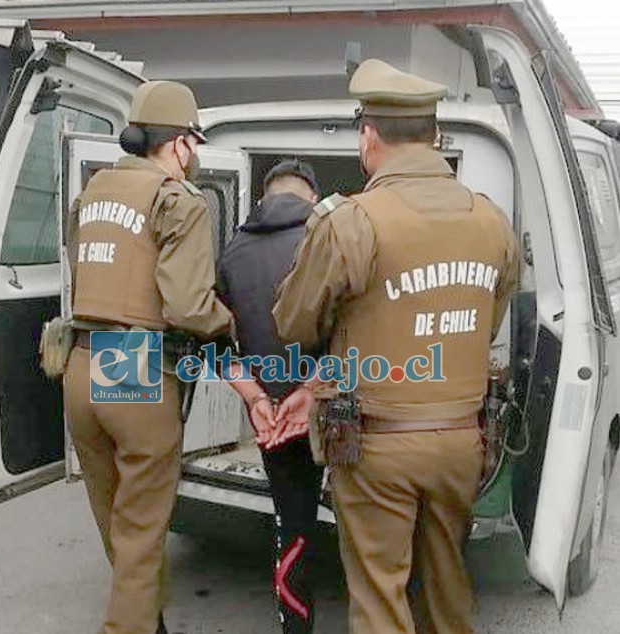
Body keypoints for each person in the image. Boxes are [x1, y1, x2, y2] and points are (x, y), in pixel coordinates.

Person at [272, 58, 519, 634]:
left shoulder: (352, 222)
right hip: (462, 438)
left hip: (376, 442)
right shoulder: (492, 220)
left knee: (381, 596)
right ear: (434, 137)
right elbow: (486, 322)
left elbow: (293, 321)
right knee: (448, 583)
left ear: (368, 136)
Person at [63, 80, 231, 634]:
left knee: (116, 522)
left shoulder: (91, 195)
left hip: (80, 363)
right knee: (139, 532)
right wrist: (231, 322)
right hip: (132, 363)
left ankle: (146, 618)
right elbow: (188, 307)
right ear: (181, 143)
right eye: (195, 142)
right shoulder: (177, 199)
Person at [216, 159, 325, 634]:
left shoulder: (233, 250)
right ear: (312, 199)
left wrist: (255, 397)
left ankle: (295, 627)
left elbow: (216, 342)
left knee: (292, 525)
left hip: (270, 414)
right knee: (365, 525)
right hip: (328, 402)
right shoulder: (327, 239)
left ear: (263, 197)